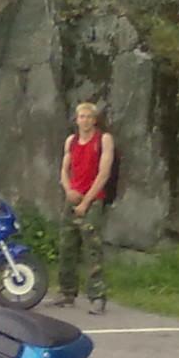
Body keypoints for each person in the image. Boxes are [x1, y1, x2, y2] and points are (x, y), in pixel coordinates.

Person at [54, 102, 114, 315]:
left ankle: (97, 297)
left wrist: (86, 202)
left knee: (92, 250)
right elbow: (64, 170)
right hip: (72, 198)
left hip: (93, 200)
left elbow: (104, 173)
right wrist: (68, 191)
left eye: (89, 117)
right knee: (66, 247)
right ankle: (67, 293)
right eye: (82, 116)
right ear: (76, 119)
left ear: (95, 120)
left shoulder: (103, 139)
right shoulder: (71, 141)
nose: (85, 120)